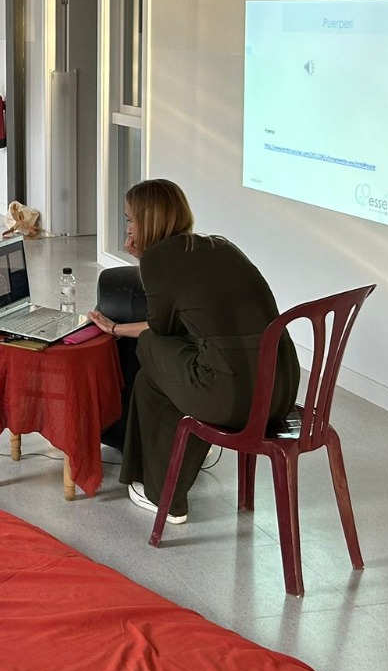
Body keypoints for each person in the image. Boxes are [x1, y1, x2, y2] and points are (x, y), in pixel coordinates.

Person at [87, 179, 299, 525]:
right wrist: (117, 328)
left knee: (151, 348)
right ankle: (158, 484)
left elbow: (161, 328)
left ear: (147, 221)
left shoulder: (159, 259)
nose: (128, 229)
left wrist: (143, 263)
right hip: (280, 391)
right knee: (153, 381)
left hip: (234, 401)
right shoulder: (221, 246)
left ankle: (164, 497)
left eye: (130, 219)